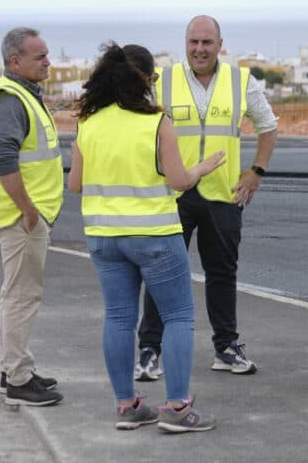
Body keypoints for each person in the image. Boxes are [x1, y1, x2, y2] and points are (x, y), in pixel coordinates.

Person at [68, 43, 221, 432]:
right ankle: (177, 408)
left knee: (118, 317)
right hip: (153, 234)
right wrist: (203, 166)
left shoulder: (89, 123)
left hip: (104, 236)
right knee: (178, 316)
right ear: (145, 81)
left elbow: (76, 184)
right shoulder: (156, 122)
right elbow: (179, 181)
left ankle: (127, 405)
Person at [134, 15, 278, 381]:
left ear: (219, 45)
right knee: (161, 273)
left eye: (207, 43)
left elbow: (268, 126)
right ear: (185, 43)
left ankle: (226, 347)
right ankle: (149, 350)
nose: (199, 49)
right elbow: (138, 128)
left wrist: (256, 171)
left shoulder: (241, 81)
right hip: (173, 193)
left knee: (222, 273)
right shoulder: (162, 81)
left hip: (223, 194)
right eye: (193, 42)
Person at [0, 27, 64, 406]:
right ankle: (17, 379)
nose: (48, 61)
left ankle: (15, 366)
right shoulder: (11, 100)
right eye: (40, 56)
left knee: (17, 294)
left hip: (23, 214)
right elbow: (5, 160)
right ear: (16, 61)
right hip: (21, 217)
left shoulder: (22, 95)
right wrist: (29, 211)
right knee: (22, 296)